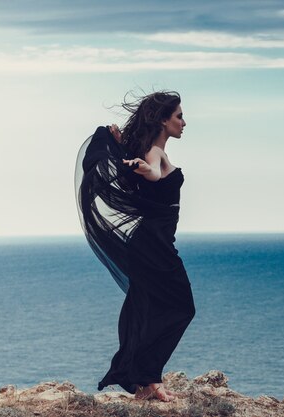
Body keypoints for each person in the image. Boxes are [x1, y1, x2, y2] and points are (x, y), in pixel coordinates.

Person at [75, 91, 196, 402]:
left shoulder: (150, 151)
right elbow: (152, 170)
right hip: (152, 247)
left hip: (153, 245)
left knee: (150, 307)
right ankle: (148, 377)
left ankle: (144, 379)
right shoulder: (154, 155)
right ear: (162, 120)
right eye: (179, 116)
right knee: (181, 307)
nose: (184, 122)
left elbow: (142, 165)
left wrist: (118, 146)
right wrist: (145, 169)